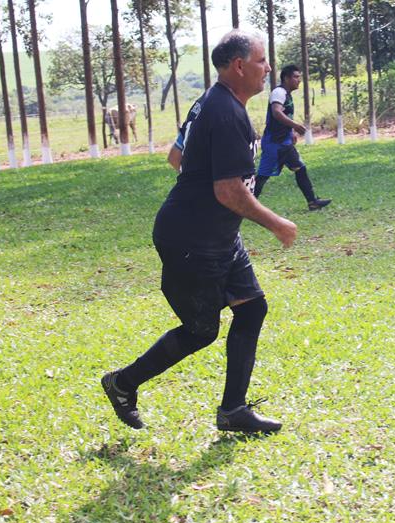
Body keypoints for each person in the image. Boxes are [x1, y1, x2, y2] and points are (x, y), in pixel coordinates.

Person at [101, 30, 297, 435]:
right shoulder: (224, 112)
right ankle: (122, 383)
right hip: (192, 240)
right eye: (262, 61)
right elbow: (226, 190)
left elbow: (177, 157)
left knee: (252, 308)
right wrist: (275, 222)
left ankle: (233, 411)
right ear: (239, 66)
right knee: (200, 331)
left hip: (220, 237)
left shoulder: (215, 103)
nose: (268, 68)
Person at [253, 65, 331, 211]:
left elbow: (283, 117)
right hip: (274, 144)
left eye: (299, 77)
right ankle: (246, 205)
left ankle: (312, 202)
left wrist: (290, 133)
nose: (299, 80)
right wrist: (295, 125)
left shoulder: (286, 94)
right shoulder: (278, 92)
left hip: (284, 143)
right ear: (286, 78)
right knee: (263, 176)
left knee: (300, 168)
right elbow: (276, 113)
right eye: (295, 77)